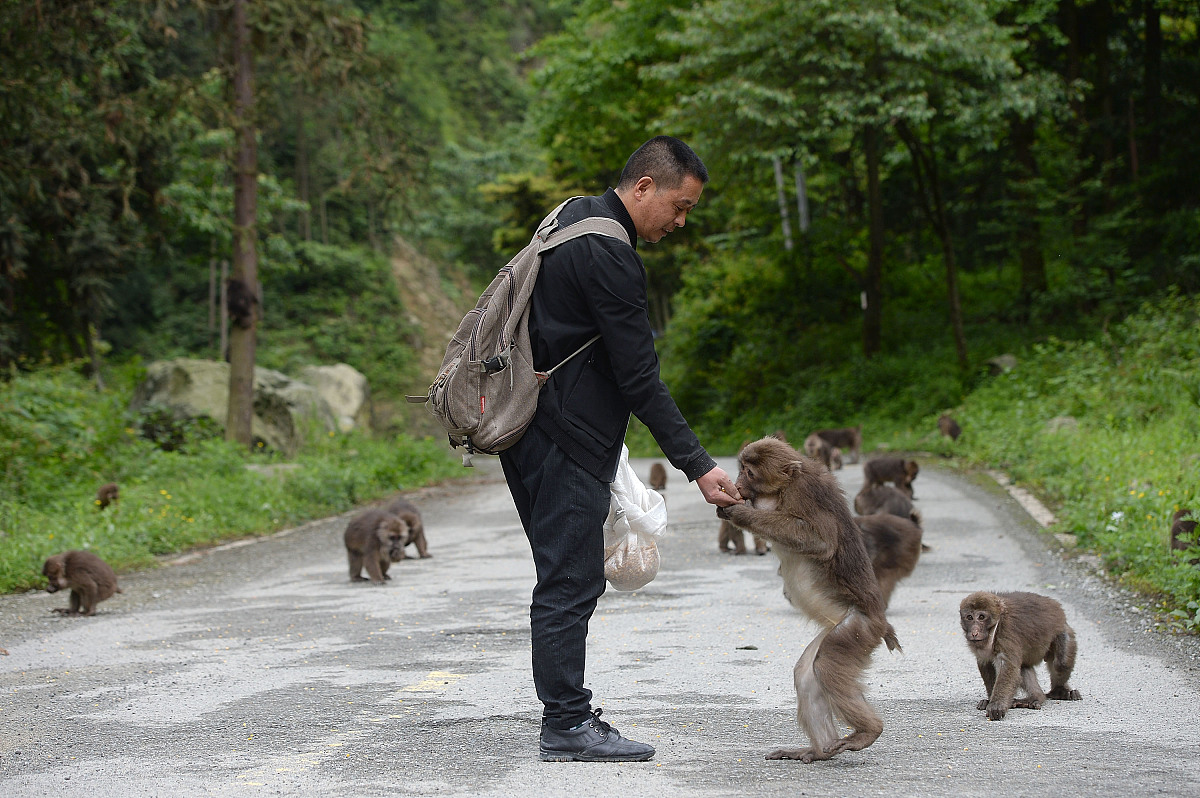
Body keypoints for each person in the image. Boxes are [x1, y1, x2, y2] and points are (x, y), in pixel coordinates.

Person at [499, 135, 741, 763]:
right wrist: (699, 467)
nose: (681, 223)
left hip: (528, 429)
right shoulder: (610, 254)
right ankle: (567, 725)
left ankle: (567, 717)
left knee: (562, 573)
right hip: (566, 438)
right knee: (570, 579)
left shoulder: (569, 217)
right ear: (643, 188)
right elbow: (639, 380)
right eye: (679, 206)